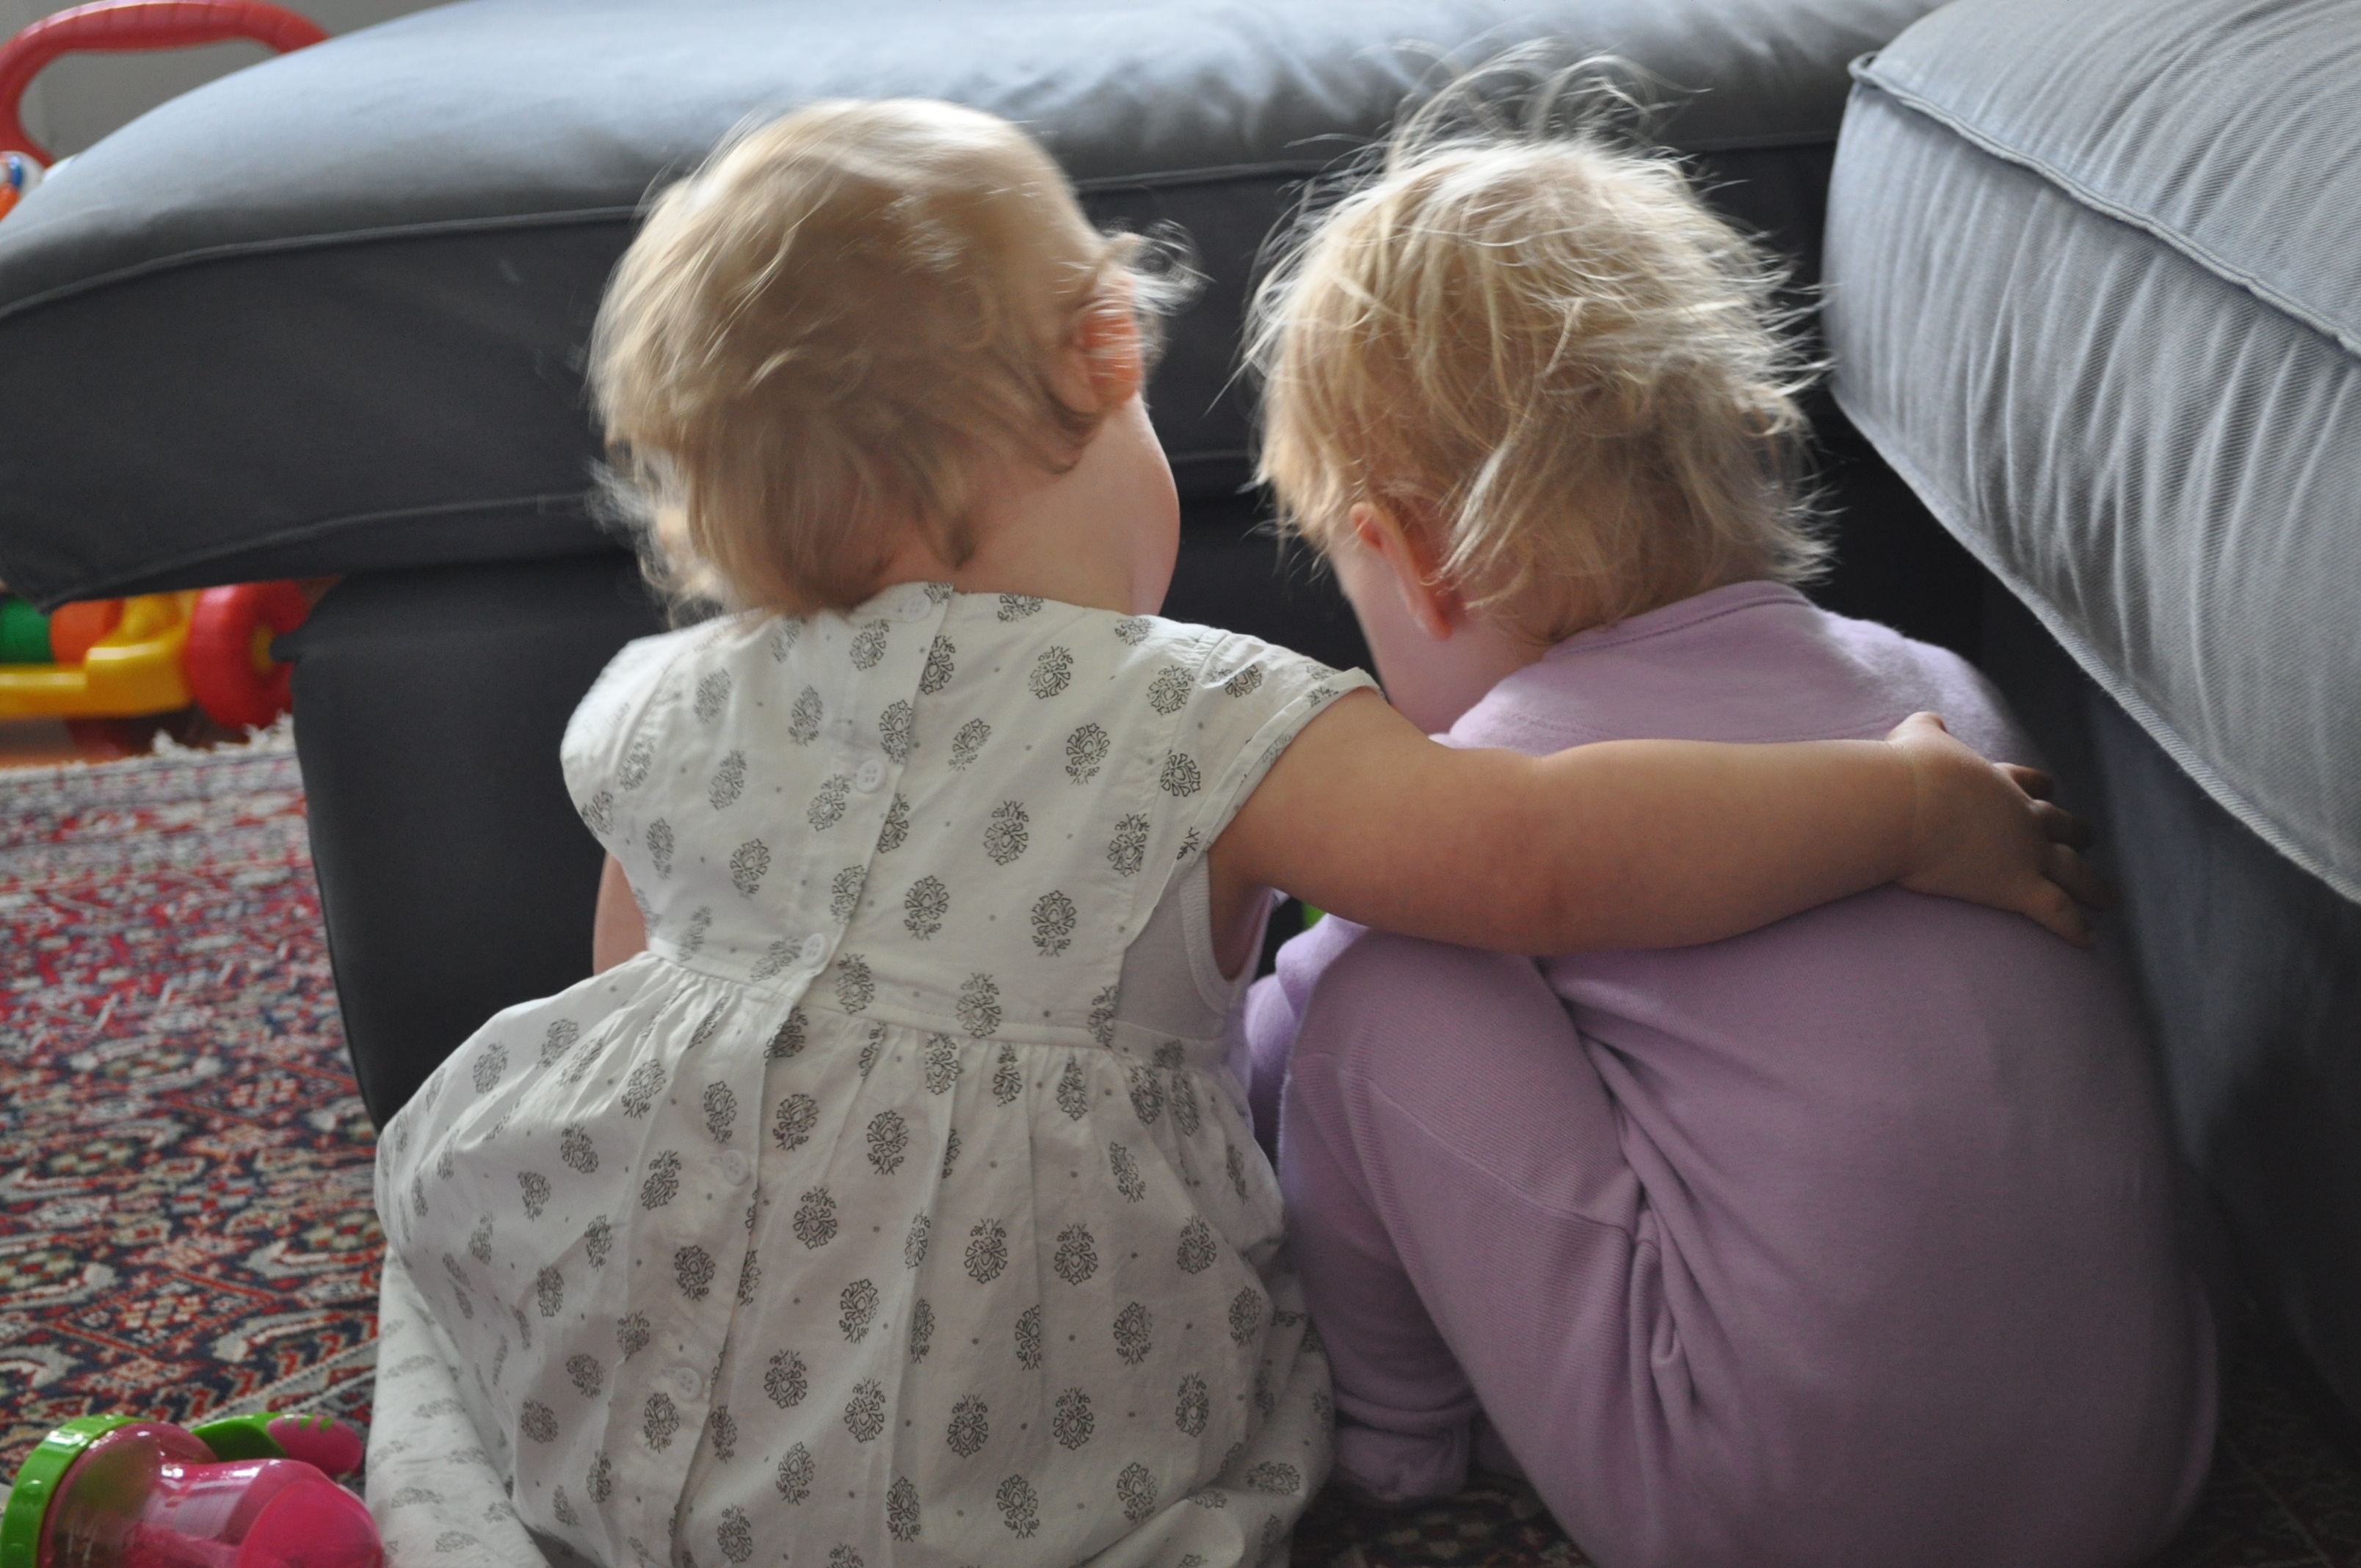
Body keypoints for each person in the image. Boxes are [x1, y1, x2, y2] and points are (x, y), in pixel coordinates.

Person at [364, 99, 2105, 1568]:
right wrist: (1896, 804)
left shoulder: (665, 698)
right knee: (1377, 976)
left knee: (1372, 987)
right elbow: (1531, 853)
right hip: (1001, 1457)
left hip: (667, 1418)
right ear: (1107, 354)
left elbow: (636, 995)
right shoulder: (1202, 711)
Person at [1238, 106, 2217, 1568]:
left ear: (1410, 559)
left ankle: (1397, 1437)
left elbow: (1303, 1055)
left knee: (1377, 996)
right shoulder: (1943, 694)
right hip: (2139, 1464)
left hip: (1782, 1511)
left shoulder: (1499, 783)